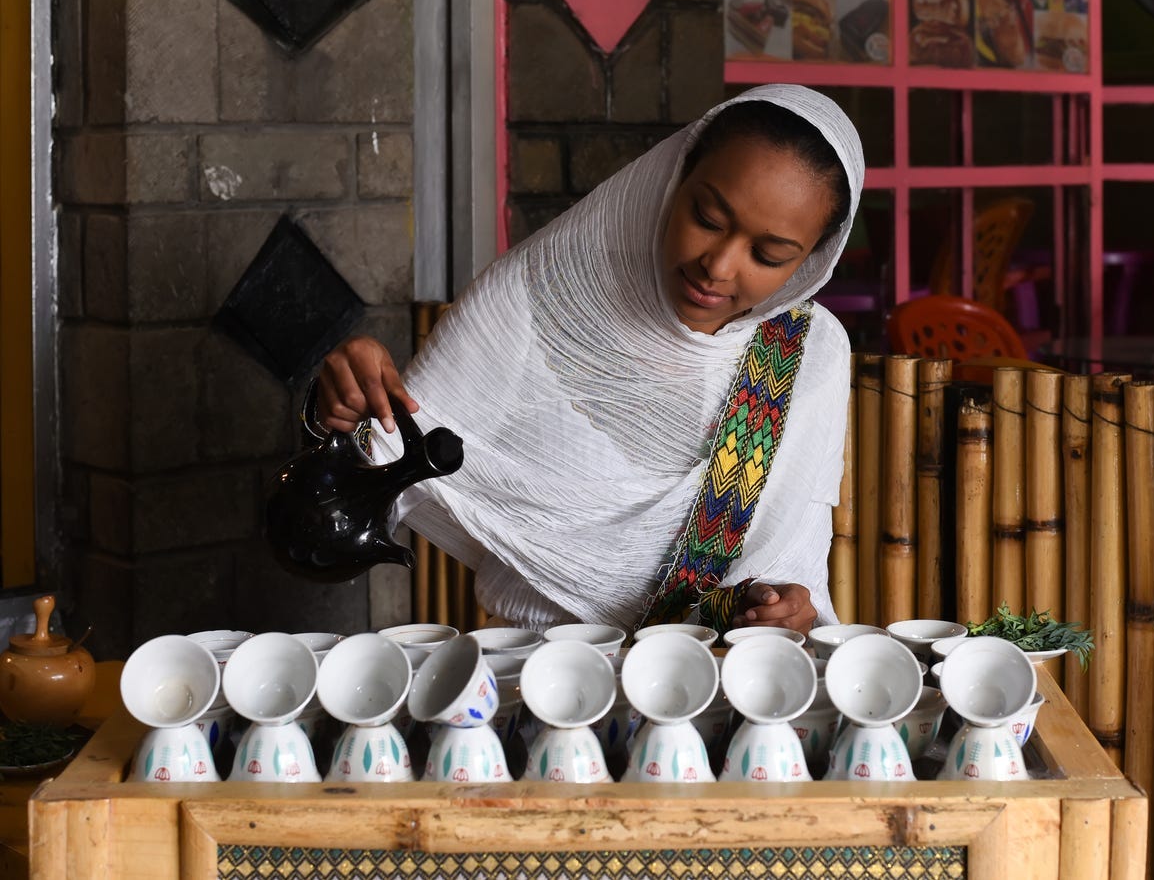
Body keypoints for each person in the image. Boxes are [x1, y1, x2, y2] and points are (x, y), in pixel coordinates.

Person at [308, 84, 864, 636]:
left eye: (768, 255)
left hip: (715, 688)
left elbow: (794, 572)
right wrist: (338, 420)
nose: (718, 265)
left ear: (812, 262)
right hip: (533, 678)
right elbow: (339, 513)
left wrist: (785, 606)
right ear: (674, 178)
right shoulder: (536, 305)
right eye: (708, 218)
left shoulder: (806, 355)